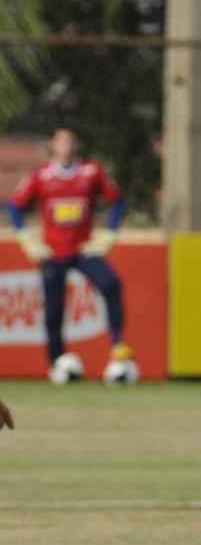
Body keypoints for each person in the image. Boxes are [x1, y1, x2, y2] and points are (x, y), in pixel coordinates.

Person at [6, 127, 134, 383]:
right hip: (53, 252)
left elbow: (118, 201)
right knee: (53, 309)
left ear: (75, 146)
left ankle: (118, 347)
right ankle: (57, 362)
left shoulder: (91, 171)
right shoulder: (41, 176)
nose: (65, 146)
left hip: (84, 249)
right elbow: (14, 206)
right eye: (60, 142)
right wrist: (27, 240)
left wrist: (109, 234)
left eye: (70, 142)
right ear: (54, 146)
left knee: (111, 284)